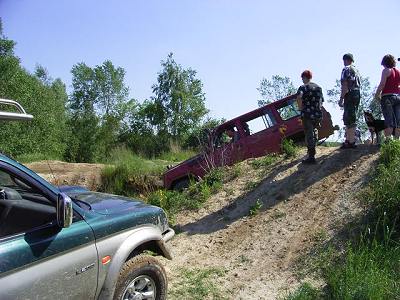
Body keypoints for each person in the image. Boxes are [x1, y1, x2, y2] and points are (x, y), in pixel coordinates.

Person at [296, 70, 324, 164]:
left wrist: (300, 108)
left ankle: (311, 156)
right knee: (314, 131)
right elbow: (321, 101)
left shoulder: (303, 87)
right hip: (317, 114)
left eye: (302, 78)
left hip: (307, 114)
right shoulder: (318, 87)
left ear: (304, 77)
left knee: (309, 133)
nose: (302, 80)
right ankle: (312, 150)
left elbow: (299, 97)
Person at [374, 54, 400, 141]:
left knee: (389, 120)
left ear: (384, 62)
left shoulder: (386, 71)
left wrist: (377, 94)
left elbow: (382, 84)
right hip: (398, 97)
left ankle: (388, 141)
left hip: (387, 97)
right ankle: (396, 142)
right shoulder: (398, 72)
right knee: (397, 121)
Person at [338, 53, 361, 149]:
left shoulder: (346, 69)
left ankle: (351, 141)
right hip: (357, 93)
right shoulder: (356, 70)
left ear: (345, 60)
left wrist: (341, 98)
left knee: (349, 117)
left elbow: (345, 85)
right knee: (351, 115)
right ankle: (348, 139)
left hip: (350, 94)